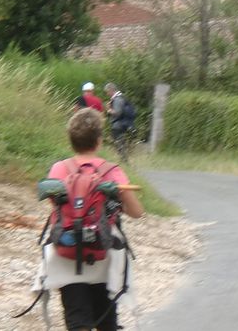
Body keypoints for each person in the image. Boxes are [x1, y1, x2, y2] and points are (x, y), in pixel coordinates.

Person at [41, 108, 143, 331]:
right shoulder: (111, 171)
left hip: (65, 250)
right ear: (99, 141)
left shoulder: (59, 169)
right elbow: (137, 212)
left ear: (71, 141)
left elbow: (56, 206)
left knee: (78, 321)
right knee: (106, 321)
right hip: (102, 252)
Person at [103, 83, 135, 160]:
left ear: (111, 90)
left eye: (107, 92)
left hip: (118, 124)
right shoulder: (121, 97)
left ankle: (123, 160)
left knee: (119, 143)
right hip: (122, 123)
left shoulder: (117, 99)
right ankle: (123, 159)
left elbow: (118, 112)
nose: (107, 94)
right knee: (120, 143)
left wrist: (109, 110)